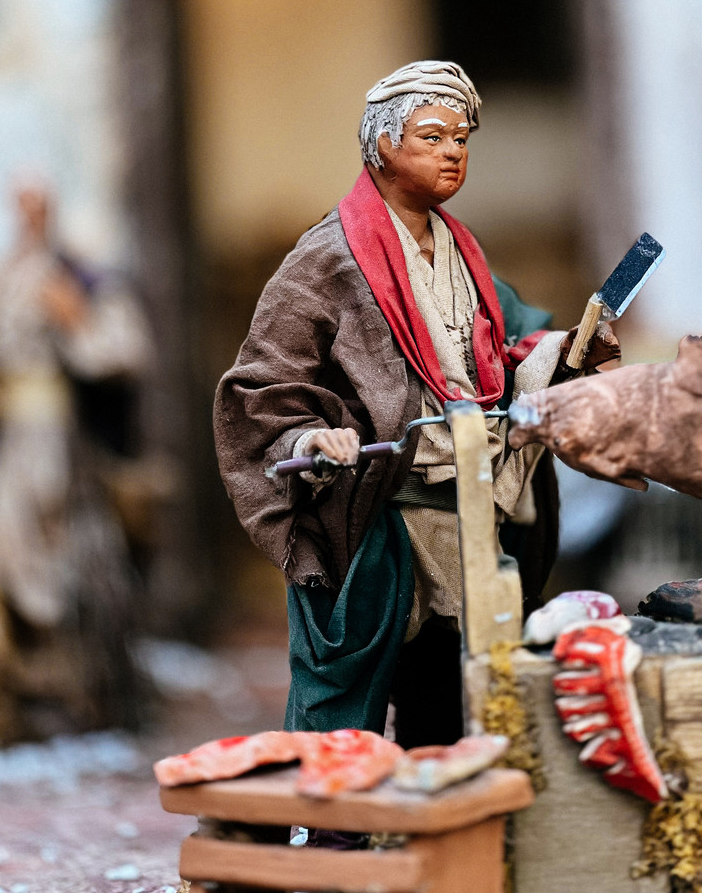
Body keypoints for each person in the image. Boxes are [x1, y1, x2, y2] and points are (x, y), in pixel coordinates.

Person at [215, 61, 618, 747]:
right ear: (380, 146)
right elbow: (261, 389)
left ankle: (440, 819)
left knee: (454, 680)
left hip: (470, 503)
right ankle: (327, 833)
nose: (453, 151)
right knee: (346, 687)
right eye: (432, 136)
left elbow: (516, 335)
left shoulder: (461, 248)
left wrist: (571, 347)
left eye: (461, 137)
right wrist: (312, 442)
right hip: (383, 512)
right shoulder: (326, 259)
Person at [0, 180, 154, 743]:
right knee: (4, 555)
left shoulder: (81, 279)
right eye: (19, 203)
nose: (28, 214)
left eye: (39, 204)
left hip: (64, 444)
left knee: (74, 558)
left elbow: (124, 354)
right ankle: (11, 694)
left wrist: (77, 319)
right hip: (5, 444)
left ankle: (73, 695)